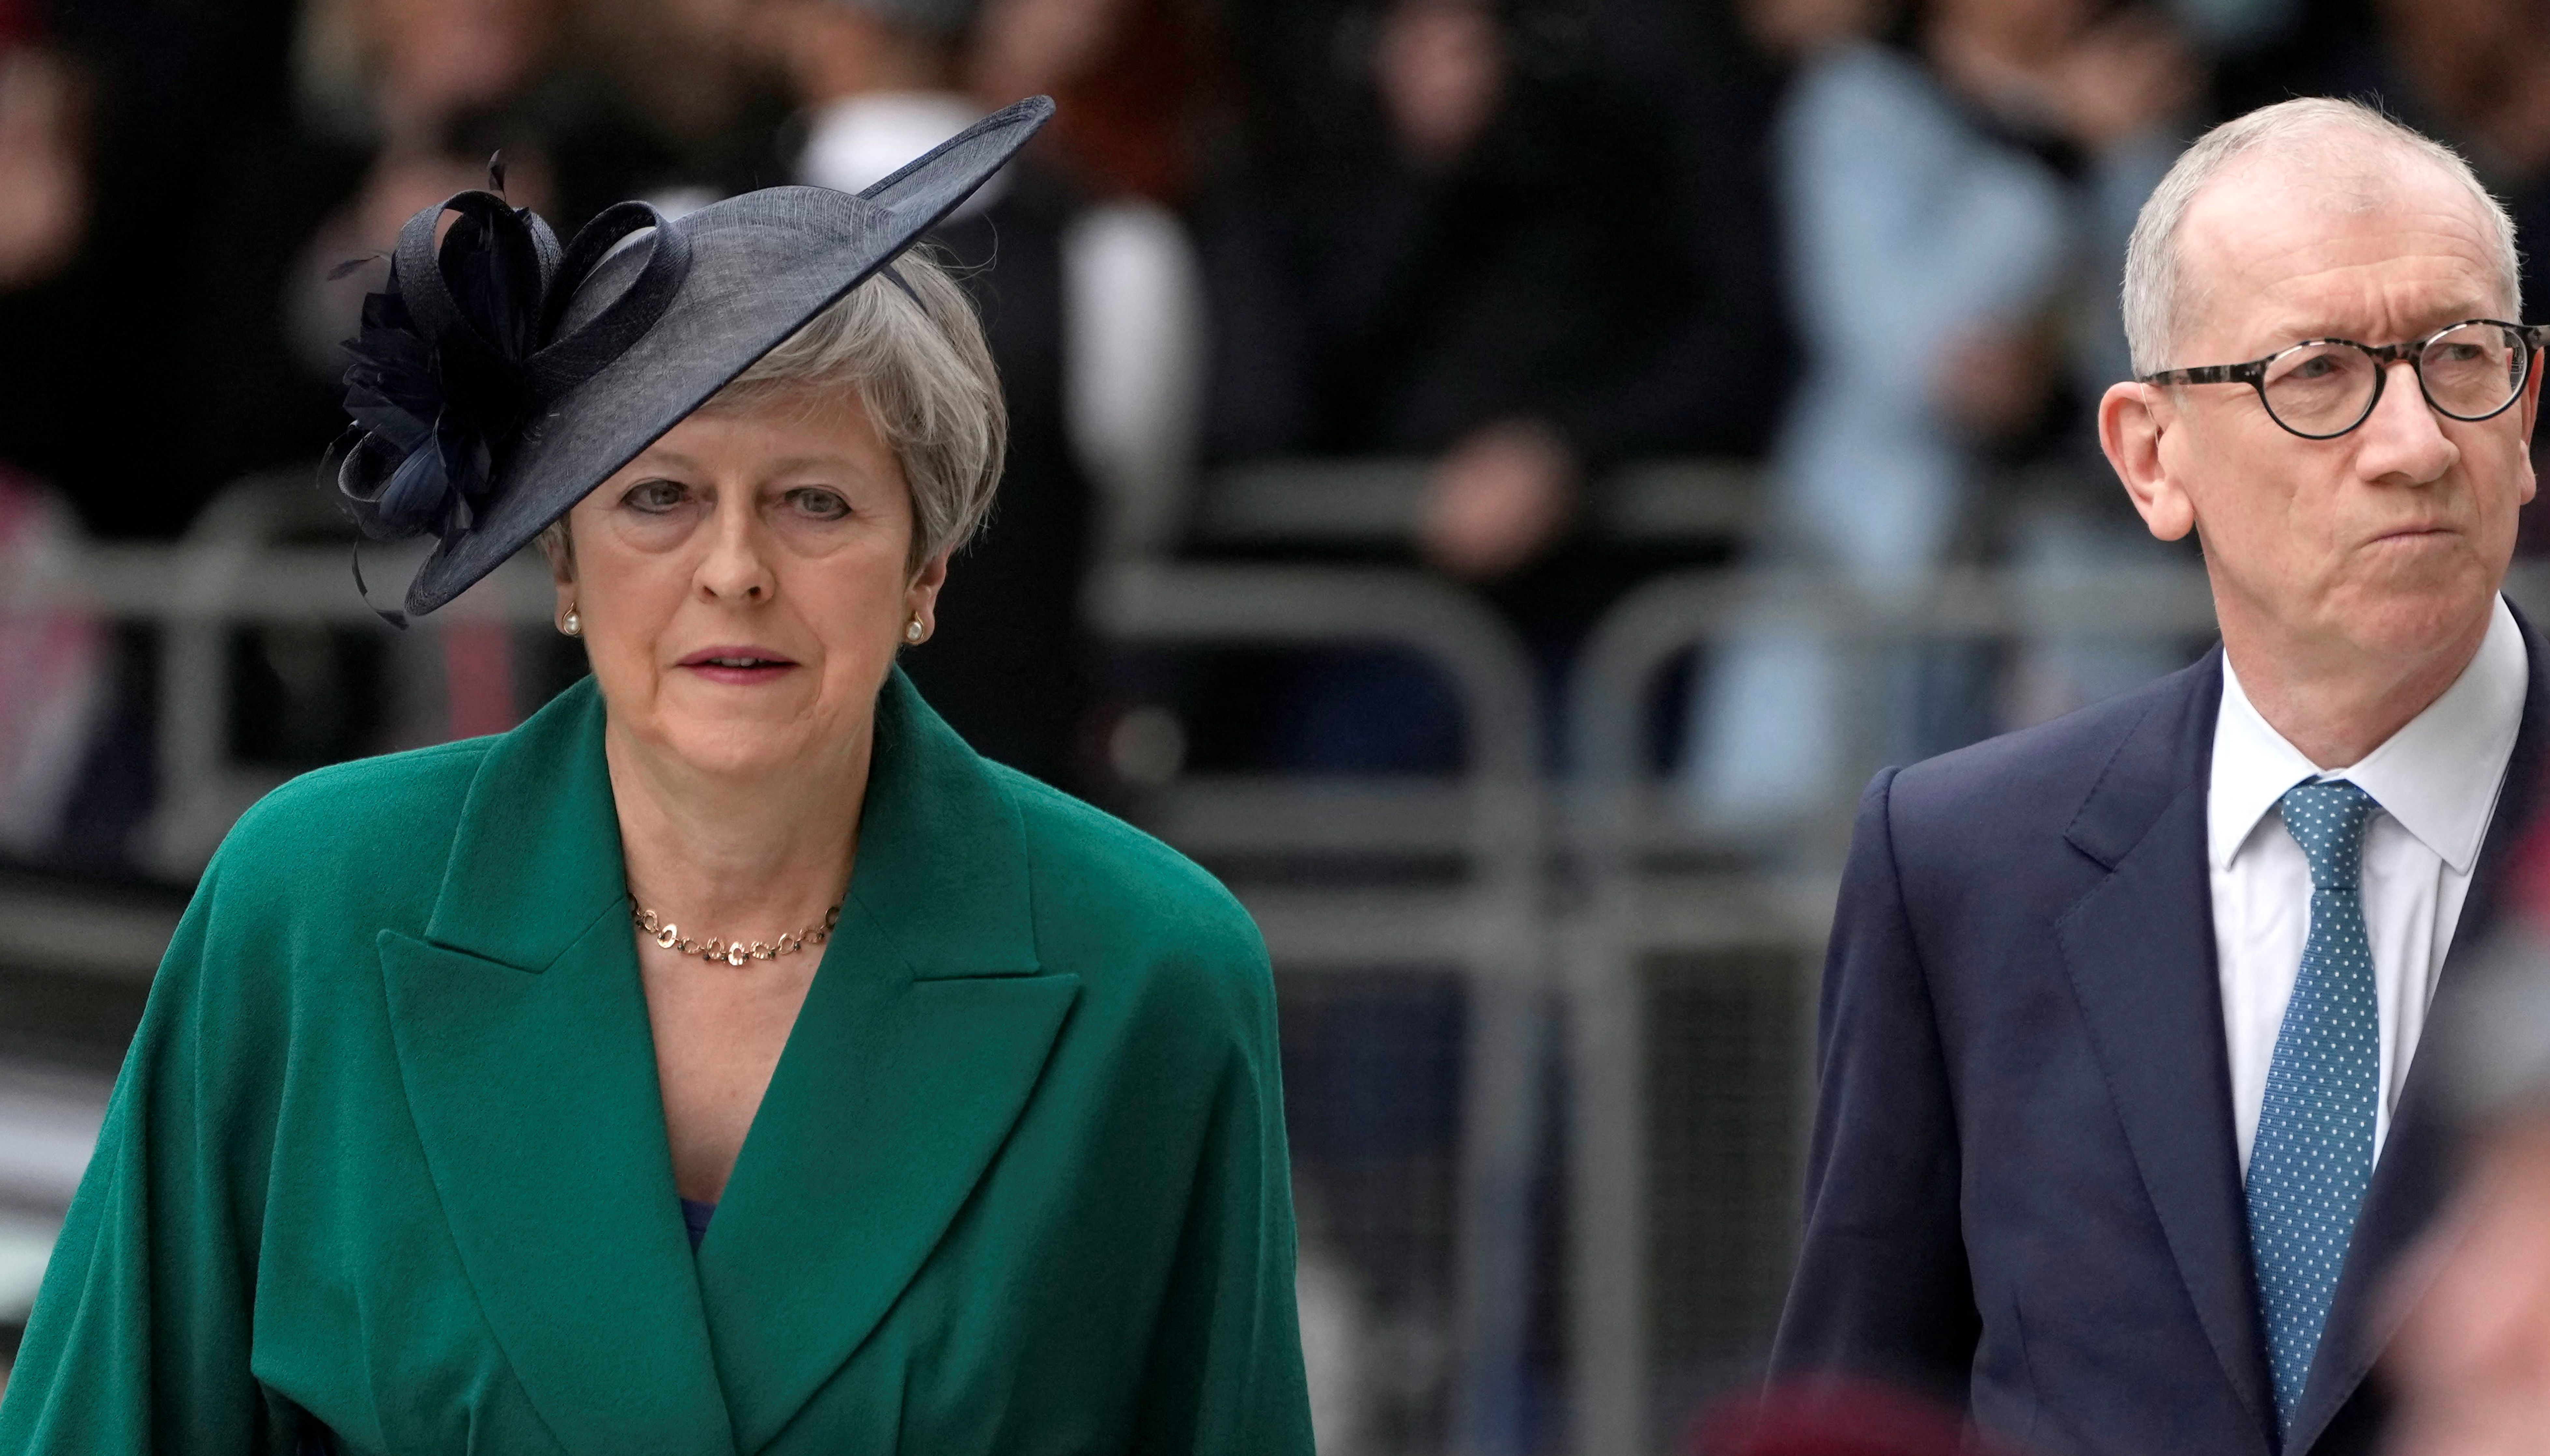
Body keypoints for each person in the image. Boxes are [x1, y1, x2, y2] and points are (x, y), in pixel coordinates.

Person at [0, 102, 1316, 1453]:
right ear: (564, 567)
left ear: (924, 571)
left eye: (815, 501)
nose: (734, 568)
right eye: (658, 496)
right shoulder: (309, 905)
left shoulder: (1153, 968)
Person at [1772, 97, 2549, 1456]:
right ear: (2148, 453)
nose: (2415, 441)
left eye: (2459, 356)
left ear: (2523, 409)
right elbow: (1857, 1403)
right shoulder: (1959, 859)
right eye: (2314, 372)